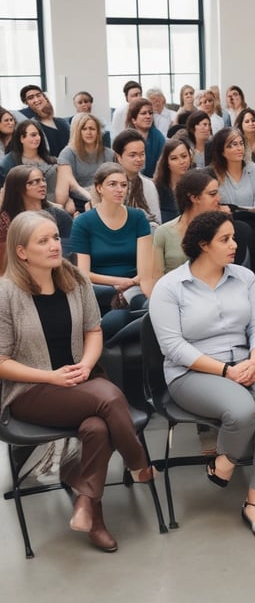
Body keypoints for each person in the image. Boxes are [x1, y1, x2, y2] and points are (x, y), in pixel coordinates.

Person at [0, 210, 156, 552]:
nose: (55, 245)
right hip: (31, 389)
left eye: (56, 237)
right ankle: (139, 464)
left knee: (97, 428)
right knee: (111, 399)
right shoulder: (6, 293)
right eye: (43, 241)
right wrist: (50, 376)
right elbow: (1, 361)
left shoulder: (74, 280)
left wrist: (85, 365)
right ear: (22, 251)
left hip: (80, 380)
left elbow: (93, 331)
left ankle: (88, 507)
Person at [150, 211, 255, 538]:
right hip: (192, 371)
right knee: (242, 411)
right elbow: (173, 346)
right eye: (225, 240)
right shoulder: (170, 287)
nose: (234, 245)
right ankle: (225, 460)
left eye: (234, 238)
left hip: (246, 360)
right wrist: (226, 371)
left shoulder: (244, 277)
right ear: (203, 245)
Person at [69, 163, 153, 326]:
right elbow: (84, 273)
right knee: (114, 322)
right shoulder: (83, 223)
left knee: (143, 313)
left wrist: (131, 284)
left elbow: (146, 269)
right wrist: (120, 284)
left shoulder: (138, 217)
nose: (119, 189)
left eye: (123, 185)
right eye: (112, 184)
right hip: (101, 290)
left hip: (136, 288)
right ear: (99, 188)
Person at [0, 165, 73, 272]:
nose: (43, 185)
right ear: (18, 187)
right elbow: (4, 260)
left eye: (43, 180)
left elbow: (67, 253)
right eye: (34, 182)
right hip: (17, 274)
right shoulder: (5, 220)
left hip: (56, 271)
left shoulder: (60, 216)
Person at [152, 169, 222, 278]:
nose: (219, 199)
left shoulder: (221, 229)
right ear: (194, 198)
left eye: (217, 193)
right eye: (212, 194)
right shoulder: (163, 232)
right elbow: (155, 277)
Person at [1, 118, 82, 212]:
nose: (37, 138)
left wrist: (68, 201)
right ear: (22, 138)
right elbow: (13, 195)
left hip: (62, 207)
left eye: (39, 134)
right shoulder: (9, 163)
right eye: (33, 135)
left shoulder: (53, 160)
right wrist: (54, 206)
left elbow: (67, 184)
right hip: (31, 211)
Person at [207, 127, 255, 212]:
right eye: (233, 145)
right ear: (222, 151)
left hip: (253, 220)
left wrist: (239, 210)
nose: (239, 148)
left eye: (241, 143)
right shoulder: (212, 174)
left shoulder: (254, 170)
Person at [58, 112, 115, 195]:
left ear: (98, 132)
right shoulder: (68, 153)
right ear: (79, 132)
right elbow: (70, 184)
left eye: (92, 129)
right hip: (79, 199)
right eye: (84, 129)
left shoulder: (109, 154)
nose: (89, 132)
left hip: (105, 197)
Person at [112, 129, 161, 225]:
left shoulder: (148, 186)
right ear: (119, 157)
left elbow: (157, 221)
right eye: (132, 155)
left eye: (142, 154)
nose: (139, 159)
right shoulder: (107, 184)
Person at [18, 85, 70, 158]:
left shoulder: (61, 122)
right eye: (31, 98)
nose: (36, 100)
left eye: (38, 95)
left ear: (44, 97)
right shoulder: (32, 126)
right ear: (26, 103)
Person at [153, 138, 193, 223]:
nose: (182, 162)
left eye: (184, 156)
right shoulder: (156, 189)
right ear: (166, 162)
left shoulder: (198, 184)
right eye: (174, 158)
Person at [125, 98, 165, 178]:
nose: (148, 116)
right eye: (143, 113)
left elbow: (162, 166)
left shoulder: (158, 137)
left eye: (150, 113)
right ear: (133, 120)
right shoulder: (125, 138)